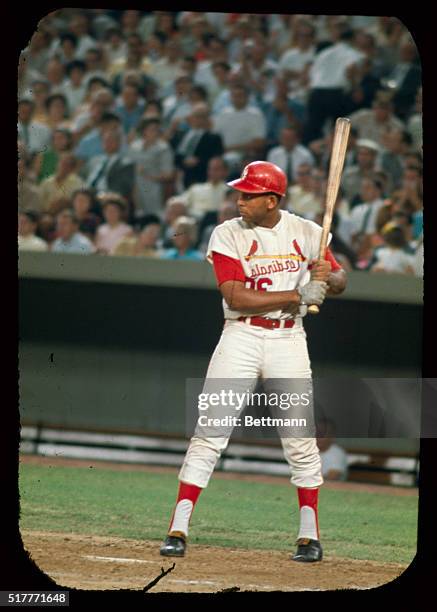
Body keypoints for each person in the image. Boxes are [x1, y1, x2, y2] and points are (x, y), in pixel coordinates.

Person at [159, 160, 347, 562]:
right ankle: (178, 528)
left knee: (299, 438)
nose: (239, 200)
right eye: (240, 193)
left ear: (271, 200)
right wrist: (298, 296)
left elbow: (342, 280)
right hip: (241, 335)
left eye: (248, 194)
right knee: (210, 430)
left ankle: (309, 536)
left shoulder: (306, 231)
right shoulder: (227, 233)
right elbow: (235, 296)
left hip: (288, 340)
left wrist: (326, 275)